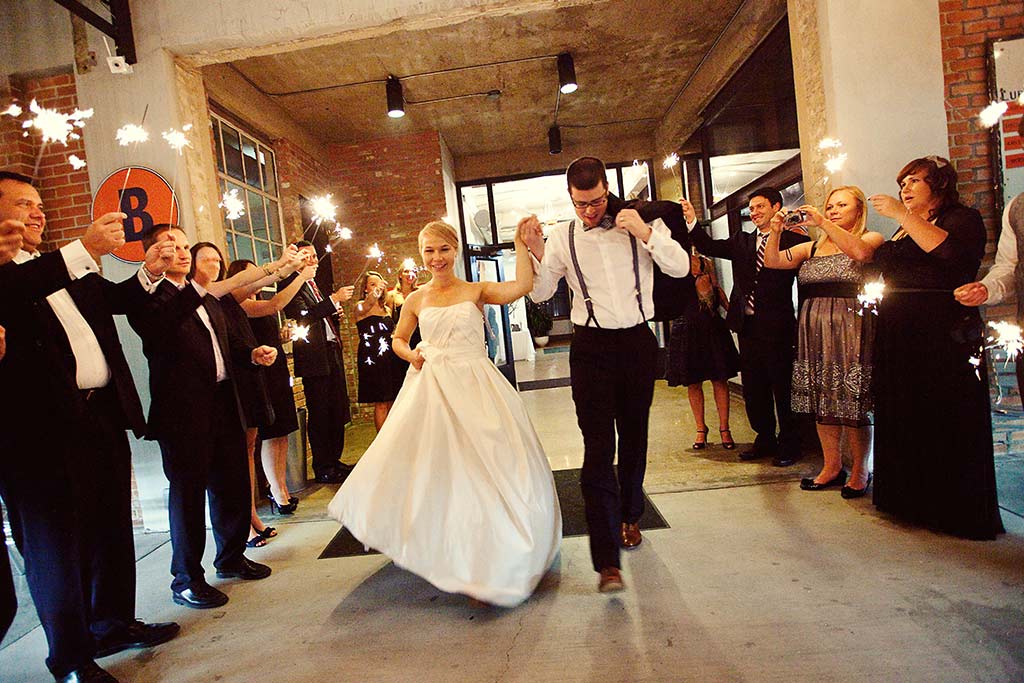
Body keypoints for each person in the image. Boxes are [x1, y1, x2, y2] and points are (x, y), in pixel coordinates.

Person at [0, 172, 180, 683]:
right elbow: (19, 289)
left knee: (109, 527)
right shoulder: (16, 273)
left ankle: (113, 623)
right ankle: (70, 657)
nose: (38, 213)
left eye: (39, 205)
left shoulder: (52, 265)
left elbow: (116, 301)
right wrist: (85, 246)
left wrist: (150, 270)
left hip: (99, 415)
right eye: (22, 204)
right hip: (37, 431)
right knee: (57, 544)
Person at [329, 220, 560, 607]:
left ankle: (490, 563)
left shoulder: (476, 290)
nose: (436, 258)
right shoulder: (416, 299)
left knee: (488, 468)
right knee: (446, 473)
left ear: (455, 251)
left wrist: (522, 245)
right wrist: (411, 354)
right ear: (422, 256)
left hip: (478, 387)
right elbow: (398, 339)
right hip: (433, 388)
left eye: (443, 250)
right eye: (429, 251)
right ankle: (458, 556)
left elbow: (521, 287)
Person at [522, 156, 690, 593]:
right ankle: (606, 562)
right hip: (590, 348)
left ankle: (631, 517)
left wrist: (645, 233)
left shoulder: (641, 221)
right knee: (597, 447)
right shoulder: (563, 237)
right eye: (580, 204)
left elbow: (680, 267)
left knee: (634, 437)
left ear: (606, 189)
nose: (588, 211)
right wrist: (533, 251)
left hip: (637, 342)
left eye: (595, 201)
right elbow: (541, 293)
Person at [128, 224, 281, 611]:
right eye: (172, 247)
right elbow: (159, 333)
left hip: (223, 401)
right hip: (182, 413)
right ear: (153, 255)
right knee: (189, 495)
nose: (182, 252)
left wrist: (251, 355)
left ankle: (230, 557)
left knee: (231, 484)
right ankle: (186, 579)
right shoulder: (152, 298)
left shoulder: (208, 300)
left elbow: (223, 346)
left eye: (184, 245)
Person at [868, 156, 1004, 540]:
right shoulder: (902, 229)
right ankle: (911, 500)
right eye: (902, 182)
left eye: (914, 181)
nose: (905, 188)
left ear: (938, 186)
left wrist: (901, 214)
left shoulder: (962, 219)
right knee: (907, 409)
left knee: (945, 410)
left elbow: (947, 254)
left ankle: (953, 508)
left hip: (941, 329)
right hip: (901, 328)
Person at [762, 186, 884, 497]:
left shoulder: (871, 238)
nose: (833, 210)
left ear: (858, 211)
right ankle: (831, 466)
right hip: (813, 329)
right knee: (824, 403)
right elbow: (774, 261)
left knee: (852, 402)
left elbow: (859, 254)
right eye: (830, 206)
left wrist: (822, 223)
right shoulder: (812, 247)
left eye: (842, 205)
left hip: (851, 327)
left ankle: (860, 469)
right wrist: (775, 230)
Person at [685, 189, 810, 467]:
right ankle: (764, 438)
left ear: (776, 206)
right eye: (751, 208)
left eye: (760, 207)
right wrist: (693, 221)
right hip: (747, 325)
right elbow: (708, 245)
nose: (753, 212)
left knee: (783, 385)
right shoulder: (742, 240)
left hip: (778, 324)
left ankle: (790, 442)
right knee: (755, 386)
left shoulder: (794, 239)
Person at [194, 244, 302, 548]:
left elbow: (253, 285)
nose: (214, 264)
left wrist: (287, 269)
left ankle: (252, 517)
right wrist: (282, 267)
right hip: (233, 380)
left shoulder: (226, 296)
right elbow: (258, 291)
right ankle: (248, 521)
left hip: (250, 367)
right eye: (207, 259)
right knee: (241, 453)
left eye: (217, 259)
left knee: (251, 446)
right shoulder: (210, 294)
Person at [227, 258, 313, 515]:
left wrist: (282, 335)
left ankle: (282, 488)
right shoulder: (238, 303)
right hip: (257, 371)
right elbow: (274, 304)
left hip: (275, 368)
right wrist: (300, 276)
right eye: (249, 274)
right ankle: (274, 493)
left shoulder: (257, 297)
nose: (254, 278)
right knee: (267, 432)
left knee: (282, 430)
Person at [280, 241, 355, 484]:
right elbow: (303, 316)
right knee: (321, 411)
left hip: (330, 350)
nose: (312, 260)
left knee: (336, 409)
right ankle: (322, 466)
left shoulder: (314, 285)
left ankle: (334, 460)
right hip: (313, 358)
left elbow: (321, 315)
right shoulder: (290, 285)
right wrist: (332, 300)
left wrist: (335, 312)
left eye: (314, 255)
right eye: (306, 256)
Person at [665, 252, 739, 450]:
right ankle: (700, 428)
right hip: (686, 326)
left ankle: (725, 428)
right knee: (693, 381)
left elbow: (717, 290)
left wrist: (731, 313)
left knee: (719, 378)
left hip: (711, 325)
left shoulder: (706, 263)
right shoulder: (673, 262)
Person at [354, 271, 398, 431]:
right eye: (372, 285)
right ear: (365, 289)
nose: (376, 288)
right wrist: (375, 292)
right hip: (372, 358)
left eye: (379, 284)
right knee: (381, 402)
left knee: (393, 399)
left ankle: (394, 437)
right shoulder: (360, 307)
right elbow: (367, 303)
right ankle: (382, 443)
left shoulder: (386, 308)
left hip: (390, 357)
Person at [386, 262, 421, 393]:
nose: (410, 274)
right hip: (402, 338)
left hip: (419, 337)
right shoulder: (392, 296)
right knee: (403, 380)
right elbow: (387, 318)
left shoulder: (420, 293)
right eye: (407, 271)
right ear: (400, 274)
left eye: (414, 271)